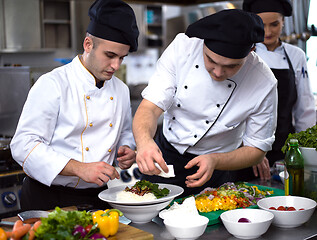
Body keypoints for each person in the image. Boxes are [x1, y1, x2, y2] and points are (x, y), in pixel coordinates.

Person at [132, 9, 278, 198]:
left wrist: (215, 160)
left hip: (219, 166)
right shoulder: (182, 49)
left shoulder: (264, 82)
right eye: (210, 60)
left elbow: (256, 149)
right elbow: (150, 108)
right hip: (165, 156)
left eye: (231, 66)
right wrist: (144, 143)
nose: (217, 72)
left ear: (251, 51)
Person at [10, 0, 139, 211]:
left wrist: (126, 149)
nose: (116, 66)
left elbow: (125, 132)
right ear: (88, 44)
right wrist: (79, 168)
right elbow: (23, 145)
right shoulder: (53, 84)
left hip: (100, 197)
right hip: (49, 198)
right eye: (110, 55)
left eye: (122, 58)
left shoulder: (121, 90)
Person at [235, 0, 316, 182]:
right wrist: (250, 148)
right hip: (246, 147)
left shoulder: (296, 56)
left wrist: (306, 150)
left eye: (274, 24)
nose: (268, 31)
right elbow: (236, 106)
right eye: (261, 25)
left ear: (283, 22)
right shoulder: (243, 53)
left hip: (285, 147)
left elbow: (305, 107)